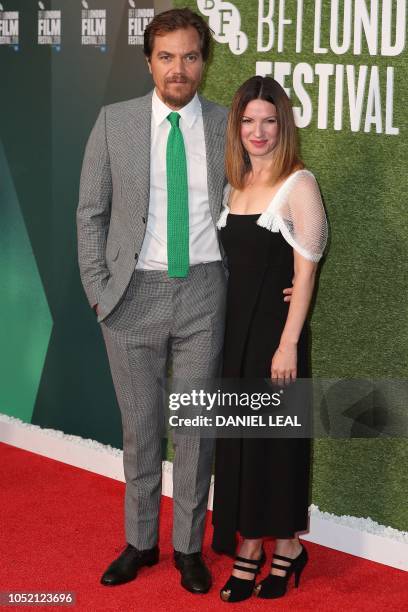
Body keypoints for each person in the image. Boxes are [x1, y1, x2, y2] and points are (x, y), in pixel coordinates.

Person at [76, 8, 229, 594]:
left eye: (190, 56)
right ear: (148, 61)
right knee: (141, 428)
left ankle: (189, 547)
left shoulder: (224, 124)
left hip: (204, 294)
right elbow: (90, 212)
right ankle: (141, 542)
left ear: (204, 61)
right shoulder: (114, 122)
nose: (179, 68)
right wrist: (98, 292)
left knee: (193, 428)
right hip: (130, 296)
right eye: (166, 56)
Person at [212, 76, 328, 602]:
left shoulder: (298, 184)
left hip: (275, 341)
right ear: (238, 126)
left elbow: (304, 277)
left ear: (283, 125)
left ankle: (282, 549)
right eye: (248, 120)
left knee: (274, 449)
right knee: (242, 446)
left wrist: (287, 345)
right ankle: (256, 544)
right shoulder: (233, 183)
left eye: (269, 120)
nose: (258, 131)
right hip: (233, 336)